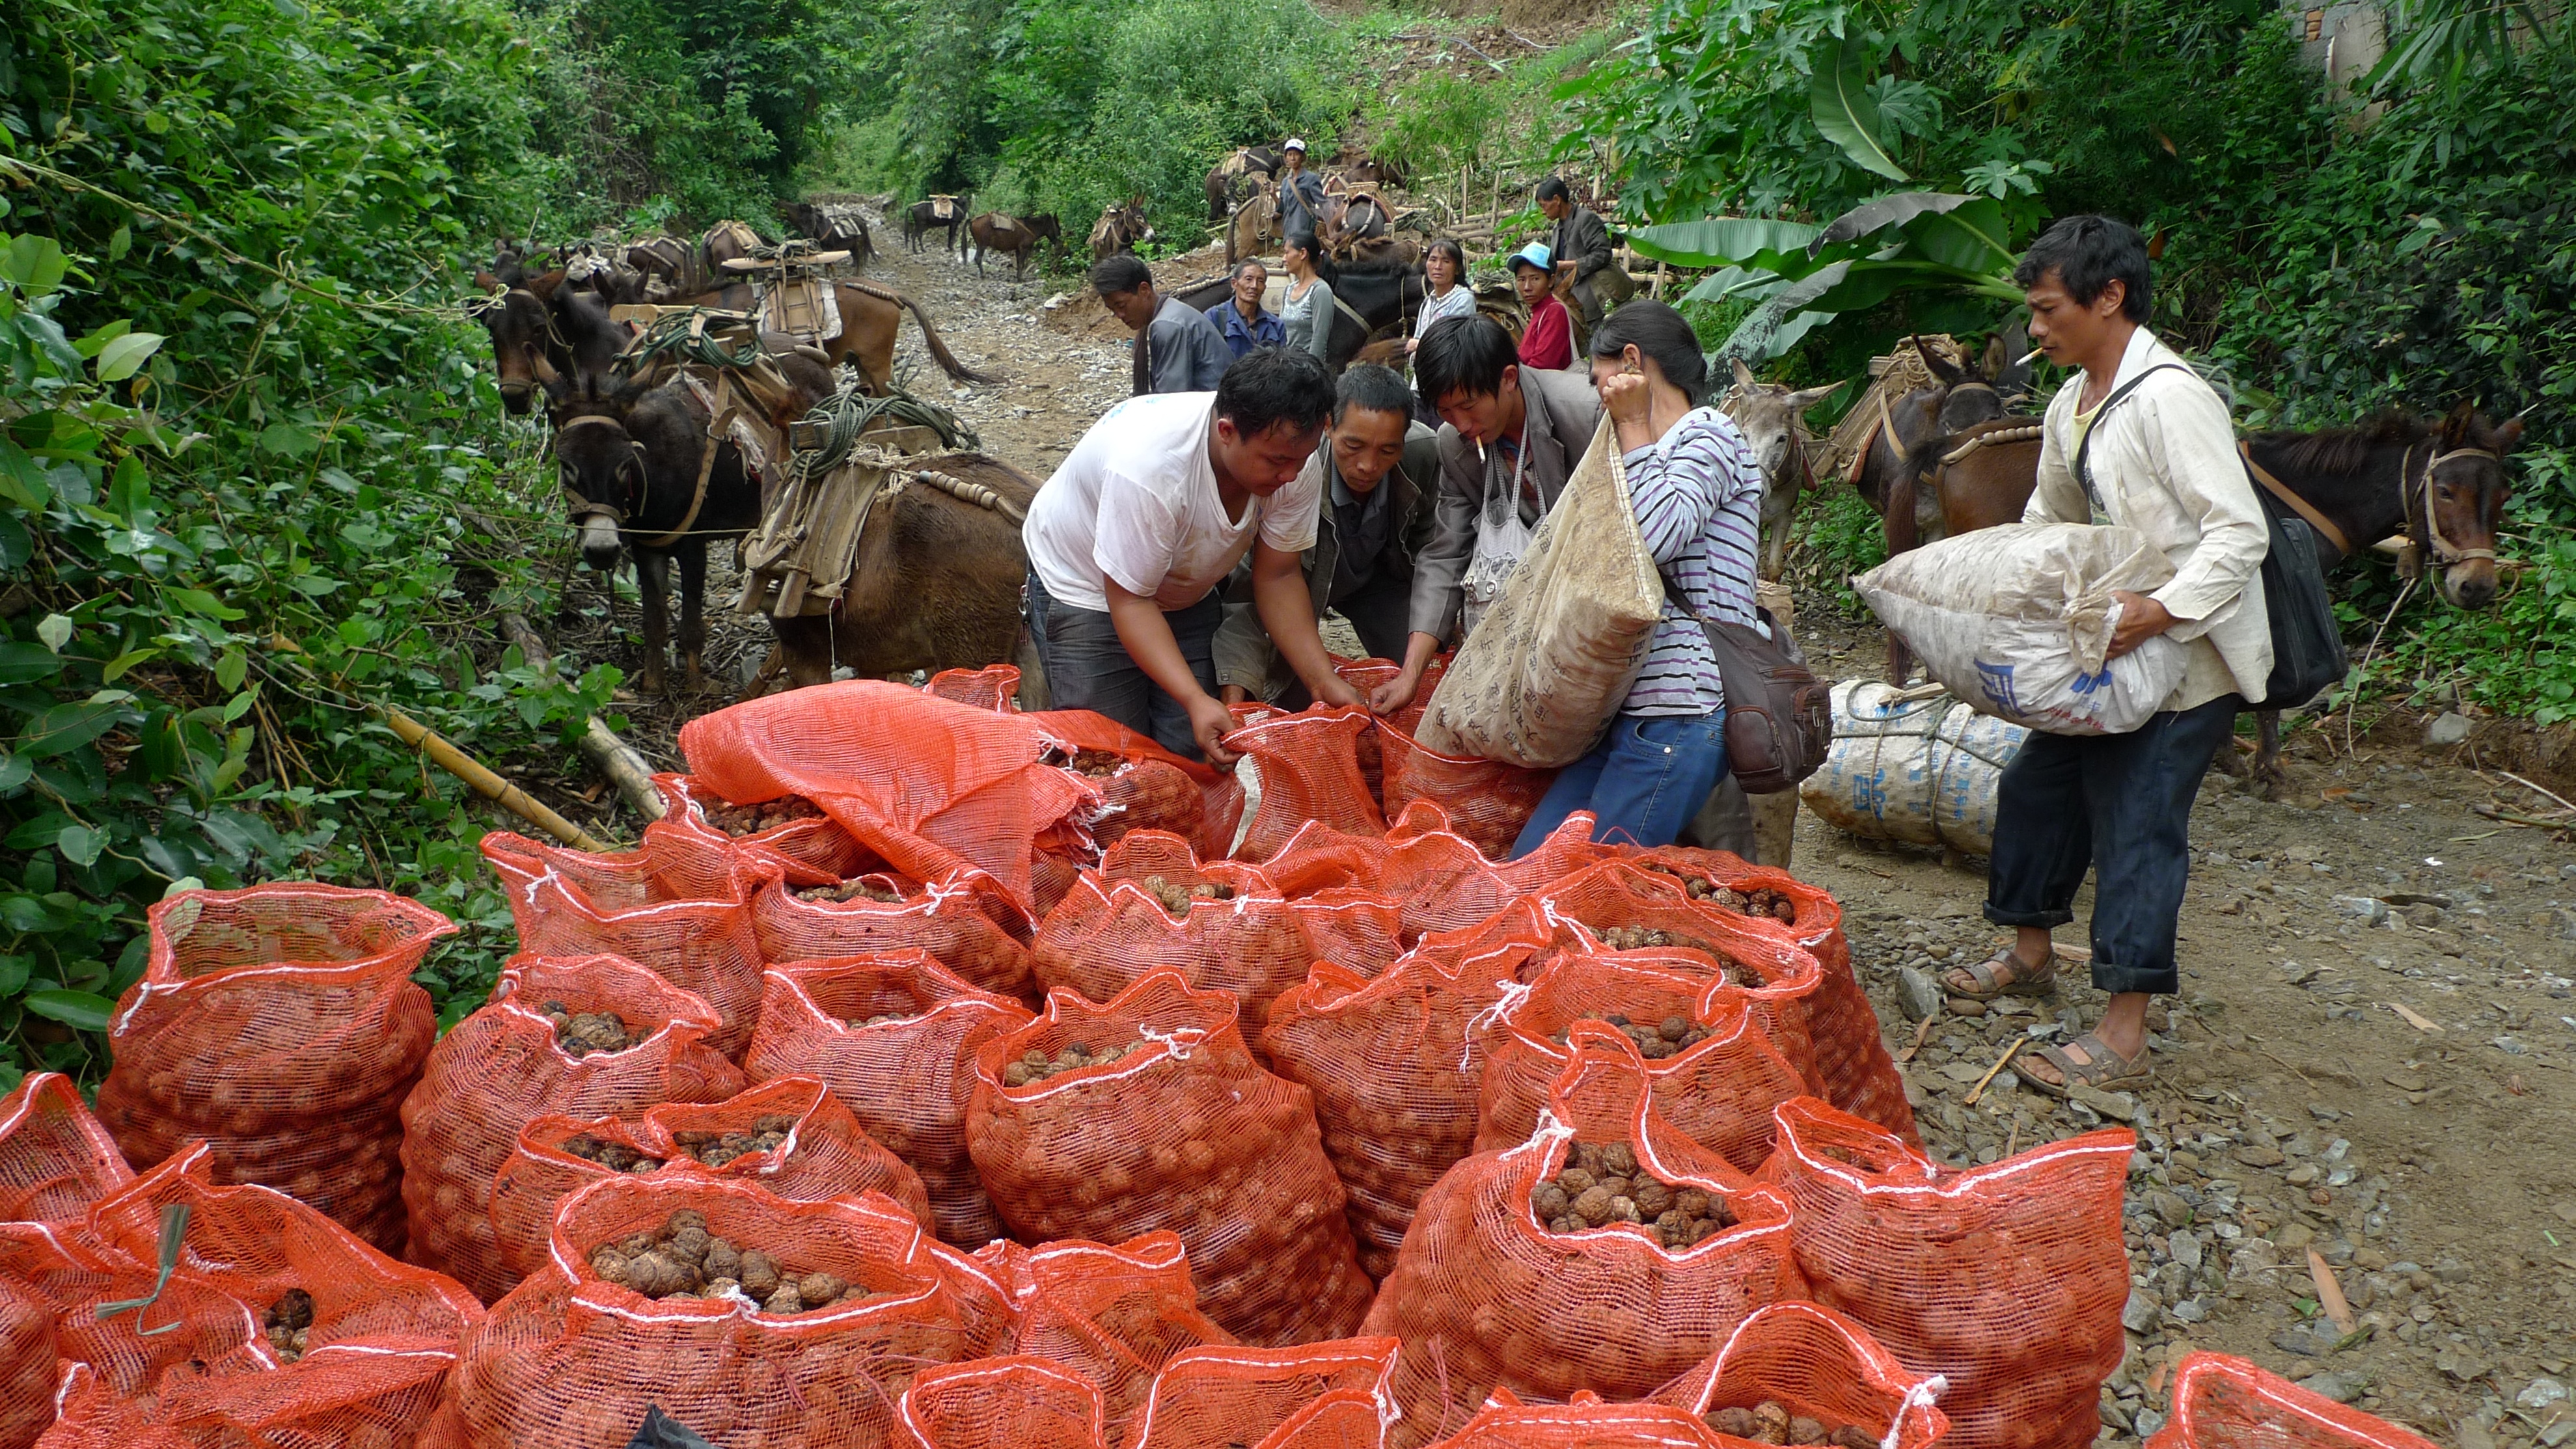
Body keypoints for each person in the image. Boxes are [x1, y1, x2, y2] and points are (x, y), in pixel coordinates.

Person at [1938, 214, 2270, 1097]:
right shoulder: (2068, 402)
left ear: (2109, 295)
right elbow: (2050, 519)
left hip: (2185, 662)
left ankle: (2124, 1032)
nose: (2035, 329)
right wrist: (2023, 586)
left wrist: (2159, 608)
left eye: (2046, 310)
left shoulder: (2170, 398)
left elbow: (2238, 531)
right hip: (2106, 655)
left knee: (2135, 827)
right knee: (2035, 788)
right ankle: (2029, 949)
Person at [1506, 301, 1765, 856]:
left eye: (1598, 377)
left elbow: (1659, 535)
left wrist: (1631, 422)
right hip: (1628, 711)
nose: (1597, 392)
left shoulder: (1709, 433)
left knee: (1588, 885)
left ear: (1630, 362)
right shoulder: (1638, 449)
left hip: (1681, 713)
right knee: (1528, 868)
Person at [1022, 347, 1368, 763]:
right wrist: (1192, 697)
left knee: (1189, 750)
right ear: (1226, 431)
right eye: (1278, 461)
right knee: (1113, 755)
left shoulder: (1292, 459)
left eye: (1302, 460)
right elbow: (1131, 600)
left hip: (1184, 586)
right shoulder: (1152, 472)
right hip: (1088, 585)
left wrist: (1321, 679)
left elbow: (1277, 576)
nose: (1291, 476)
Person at [1370, 314, 1604, 716]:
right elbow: (1446, 553)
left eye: (1468, 406)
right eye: (1445, 410)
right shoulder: (1454, 444)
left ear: (1509, 378)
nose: (1461, 425)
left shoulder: (1588, 414)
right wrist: (1411, 675)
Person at [1213, 364, 1442, 704]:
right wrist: (1236, 688)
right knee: (1291, 698)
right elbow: (1256, 587)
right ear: (1328, 427)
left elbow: (1434, 554)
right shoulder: (1292, 472)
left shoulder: (1425, 453)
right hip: (1300, 587)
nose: (1368, 465)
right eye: (1354, 446)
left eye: (1388, 451)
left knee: (1427, 678)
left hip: (1381, 585)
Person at [1093, 253, 1231, 396]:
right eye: (1113, 310)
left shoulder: (1168, 325)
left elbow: (1170, 399)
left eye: (1121, 306)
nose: (1119, 315)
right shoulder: (1170, 312)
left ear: (1144, 290)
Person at [1536, 177, 1631, 330]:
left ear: (1557, 200)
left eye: (1544, 205)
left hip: (1595, 298)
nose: (1542, 211)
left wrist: (1568, 265)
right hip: (1573, 303)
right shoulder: (1557, 230)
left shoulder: (1586, 219)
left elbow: (1603, 254)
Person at [1404, 239, 1478, 357]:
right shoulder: (1427, 303)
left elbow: (1455, 343)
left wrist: (1419, 345)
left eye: (1446, 261)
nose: (1438, 266)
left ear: (1458, 269)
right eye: (1433, 260)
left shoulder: (1463, 300)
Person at [1510, 241, 1572, 372]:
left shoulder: (1554, 312)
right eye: (1521, 280)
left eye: (1535, 279)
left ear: (1551, 280)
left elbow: (1542, 366)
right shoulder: (1538, 312)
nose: (1527, 287)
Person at [1205, 260, 1284, 358]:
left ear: (1264, 288)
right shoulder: (1214, 317)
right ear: (1234, 283)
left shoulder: (1276, 325)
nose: (1254, 286)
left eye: (1260, 281)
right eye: (1248, 279)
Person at [1278, 232, 1336, 365]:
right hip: (1285, 368)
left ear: (1303, 253)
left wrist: (1310, 374)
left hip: (1305, 372)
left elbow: (1319, 340)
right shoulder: (1289, 290)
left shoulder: (1320, 291)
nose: (1283, 258)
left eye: (1287, 253)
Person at [1276, 139, 1328, 245]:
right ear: (1286, 158)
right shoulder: (1286, 181)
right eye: (1290, 155)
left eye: (1296, 154)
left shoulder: (1311, 178)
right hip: (1288, 231)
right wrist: (1273, 194)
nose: (1293, 158)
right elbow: (1282, 208)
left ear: (1303, 157)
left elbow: (1323, 204)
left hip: (1304, 230)